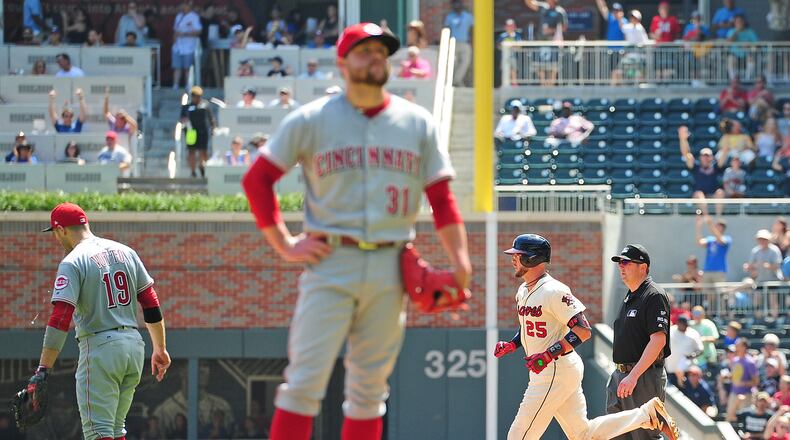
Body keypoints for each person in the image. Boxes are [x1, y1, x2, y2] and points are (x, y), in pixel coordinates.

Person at [241, 22, 472, 440]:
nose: (375, 58)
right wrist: (285, 246)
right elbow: (257, 180)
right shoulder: (311, 119)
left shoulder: (416, 122)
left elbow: (441, 197)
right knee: (303, 384)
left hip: (391, 265)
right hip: (330, 262)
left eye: (381, 52)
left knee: (369, 392)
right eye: (364, 51)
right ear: (342, 62)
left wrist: (460, 261)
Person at [495, 234, 678, 440]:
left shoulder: (554, 290)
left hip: (555, 368)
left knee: (518, 436)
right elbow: (529, 327)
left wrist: (547, 355)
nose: (513, 259)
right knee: (582, 434)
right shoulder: (523, 290)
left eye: (518, 255)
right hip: (550, 369)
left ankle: (647, 415)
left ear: (533, 258)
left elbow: (582, 329)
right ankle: (647, 414)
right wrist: (512, 344)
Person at [24, 202, 171, 440]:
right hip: (133, 347)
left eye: (55, 234)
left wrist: (43, 368)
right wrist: (160, 349)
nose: (56, 239)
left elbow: (61, 317)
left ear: (61, 230)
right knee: (115, 428)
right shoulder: (126, 251)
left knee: (98, 432)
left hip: (102, 349)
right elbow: (151, 303)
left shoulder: (73, 261)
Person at [609, 244, 674, 440]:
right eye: (620, 262)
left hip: (642, 377)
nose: (621, 266)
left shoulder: (653, 295)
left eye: (626, 262)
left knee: (644, 435)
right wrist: (620, 375)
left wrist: (633, 376)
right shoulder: (631, 294)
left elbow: (658, 340)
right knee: (615, 434)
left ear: (643, 267)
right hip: (621, 375)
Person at [679, 126, 727, 217]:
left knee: (720, 192)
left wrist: (726, 135)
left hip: (713, 195)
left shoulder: (715, 167)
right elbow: (686, 154)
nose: (706, 158)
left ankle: (719, 217)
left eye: (708, 156)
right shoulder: (696, 167)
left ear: (712, 157)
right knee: (698, 194)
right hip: (700, 196)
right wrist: (683, 139)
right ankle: (707, 217)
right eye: (703, 156)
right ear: (700, 157)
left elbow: (724, 152)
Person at [181, 86, 216, 178]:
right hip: (191, 132)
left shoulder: (205, 105)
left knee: (203, 151)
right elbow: (182, 118)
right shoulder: (187, 106)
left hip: (202, 131)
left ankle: (203, 167)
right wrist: (185, 122)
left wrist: (213, 128)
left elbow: (211, 118)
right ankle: (193, 171)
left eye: (198, 96)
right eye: (194, 96)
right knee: (191, 151)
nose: (196, 98)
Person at [695, 214, 732, 297]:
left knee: (721, 295)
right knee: (708, 296)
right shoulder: (710, 239)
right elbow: (699, 242)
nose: (717, 228)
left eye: (719, 226)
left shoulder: (727, 239)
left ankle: (722, 310)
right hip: (707, 271)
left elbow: (720, 240)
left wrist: (710, 224)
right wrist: (698, 226)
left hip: (719, 271)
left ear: (723, 228)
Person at [665, 314, 704, 386]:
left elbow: (700, 349)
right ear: (678, 323)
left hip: (688, 370)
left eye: (686, 324)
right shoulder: (670, 331)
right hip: (672, 369)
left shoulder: (693, 333)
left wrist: (692, 355)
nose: (685, 326)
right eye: (683, 324)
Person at [727, 339, 760, 421]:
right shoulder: (735, 360)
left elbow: (756, 381)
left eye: (738, 346)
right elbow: (735, 376)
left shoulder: (750, 362)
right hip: (734, 393)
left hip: (746, 395)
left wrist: (743, 383)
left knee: (744, 420)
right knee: (729, 418)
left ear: (744, 347)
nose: (736, 347)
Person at [172, 1, 202, 90]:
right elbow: (175, 31)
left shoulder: (194, 17)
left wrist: (185, 34)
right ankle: (175, 85)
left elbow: (198, 31)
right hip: (177, 47)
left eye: (186, 4)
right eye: (183, 4)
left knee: (187, 68)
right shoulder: (179, 16)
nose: (184, 6)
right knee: (177, 67)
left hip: (189, 47)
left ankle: (188, 85)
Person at [444, 0, 474, 86]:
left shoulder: (468, 16)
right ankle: (456, 82)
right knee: (453, 63)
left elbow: (472, 30)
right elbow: (447, 29)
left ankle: (456, 80)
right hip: (453, 43)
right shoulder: (450, 17)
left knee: (465, 62)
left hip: (465, 42)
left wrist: (472, 42)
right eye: (454, 4)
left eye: (458, 4)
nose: (456, 6)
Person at [726, 15, 759, 79]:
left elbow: (756, 44)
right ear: (734, 23)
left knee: (751, 58)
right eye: (737, 22)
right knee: (731, 59)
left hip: (747, 54)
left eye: (741, 21)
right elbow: (729, 42)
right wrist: (736, 32)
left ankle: (747, 79)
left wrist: (749, 45)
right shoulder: (731, 31)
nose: (739, 23)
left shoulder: (750, 32)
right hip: (735, 54)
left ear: (744, 22)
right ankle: (733, 79)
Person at [690, 306, 720, 374]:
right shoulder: (690, 324)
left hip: (707, 357)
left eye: (698, 313)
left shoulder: (708, 324)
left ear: (703, 314)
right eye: (695, 313)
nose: (696, 315)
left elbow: (715, 338)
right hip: (694, 359)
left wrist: (703, 339)